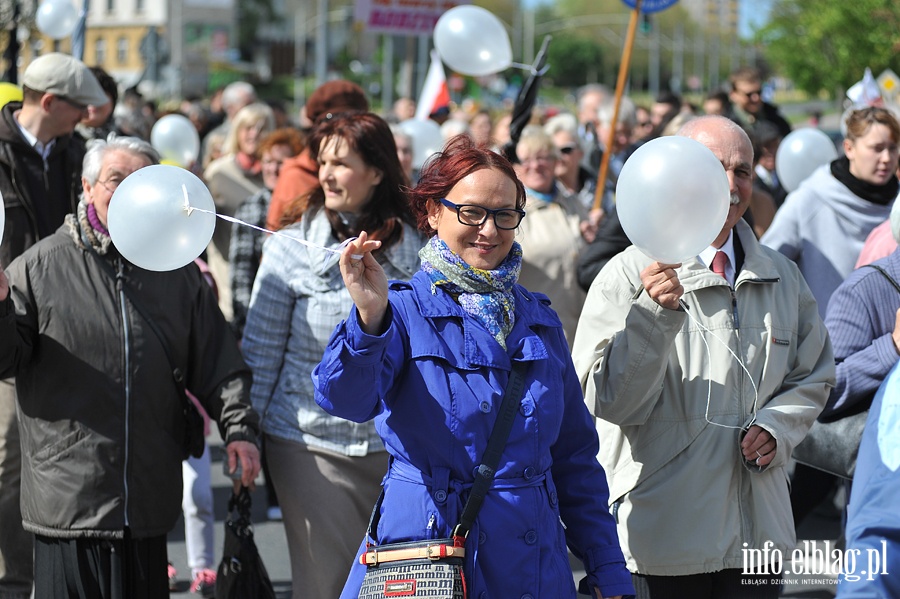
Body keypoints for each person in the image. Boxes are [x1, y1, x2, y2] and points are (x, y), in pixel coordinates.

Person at [311, 134, 634, 599]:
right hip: (429, 558)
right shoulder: (399, 310)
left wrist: (607, 565)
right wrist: (367, 318)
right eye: (471, 213)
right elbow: (345, 400)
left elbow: (574, 459)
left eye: (505, 214)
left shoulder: (538, 320)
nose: (489, 229)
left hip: (532, 566)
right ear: (433, 212)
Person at [572, 115, 835, 598]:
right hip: (663, 537)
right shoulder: (629, 274)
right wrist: (654, 313)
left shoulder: (781, 275)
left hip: (760, 543)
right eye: (716, 169)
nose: (732, 186)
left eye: (743, 171)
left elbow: (814, 375)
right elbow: (607, 400)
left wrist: (778, 428)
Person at [0, 134, 261, 598]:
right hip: (67, 504)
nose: (127, 192)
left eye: (141, 181)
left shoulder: (178, 272)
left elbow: (219, 363)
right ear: (86, 186)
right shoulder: (37, 268)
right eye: (115, 179)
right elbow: (5, 360)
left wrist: (239, 430)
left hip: (147, 501)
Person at [241, 112, 425, 599]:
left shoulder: (425, 248)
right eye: (322, 162)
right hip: (308, 443)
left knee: (397, 585)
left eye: (341, 163)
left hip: (399, 450)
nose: (326, 174)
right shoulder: (288, 246)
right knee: (325, 583)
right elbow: (260, 352)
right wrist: (245, 437)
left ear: (378, 171)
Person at [0, 52, 109, 599]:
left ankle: (61, 574)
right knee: (9, 460)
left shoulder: (81, 157)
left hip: (72, 316)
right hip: (11, 321)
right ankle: (16, 582)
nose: (87, 117)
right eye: (79, 108)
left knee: (70, 453)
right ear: (50, 102)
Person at [514, 125, 594, 346]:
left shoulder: (573, 202)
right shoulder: (512, 212)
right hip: (535, 334)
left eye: (543, 157)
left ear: (555, 161)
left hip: (580, 330)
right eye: (527, 159)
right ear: (516, 166)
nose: (536, 165)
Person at [228, 127, 304, 341]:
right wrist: (246, 323)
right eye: (268, 161)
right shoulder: (251, 208)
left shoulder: (310, 208)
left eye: (281, 162)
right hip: (258, 319)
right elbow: (240, 273)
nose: (273, 168)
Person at [203, 102, 276, 321]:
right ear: (237, 132)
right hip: (226, 279)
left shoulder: (275, 173)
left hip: (269, 281)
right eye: (248, 128)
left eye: (262, 128)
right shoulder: (218, 173)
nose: (254, 134)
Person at [266, 79, 369, 230]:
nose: (344, 131)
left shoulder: (373, 170)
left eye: (354, 122)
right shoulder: (296, 176)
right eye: (335, 122)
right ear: (318, 128)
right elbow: (277, 242)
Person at [545, 112, 598, 211]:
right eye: (554, 151)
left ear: (580, 152)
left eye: (566, 150)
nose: (559, 156)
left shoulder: (597, 187)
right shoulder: (545, 192)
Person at [728, 67, 792, 138]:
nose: (756, 98)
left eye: (759, 92)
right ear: (733, 95)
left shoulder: (777, 122)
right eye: (749, 94)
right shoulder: (726, 126)